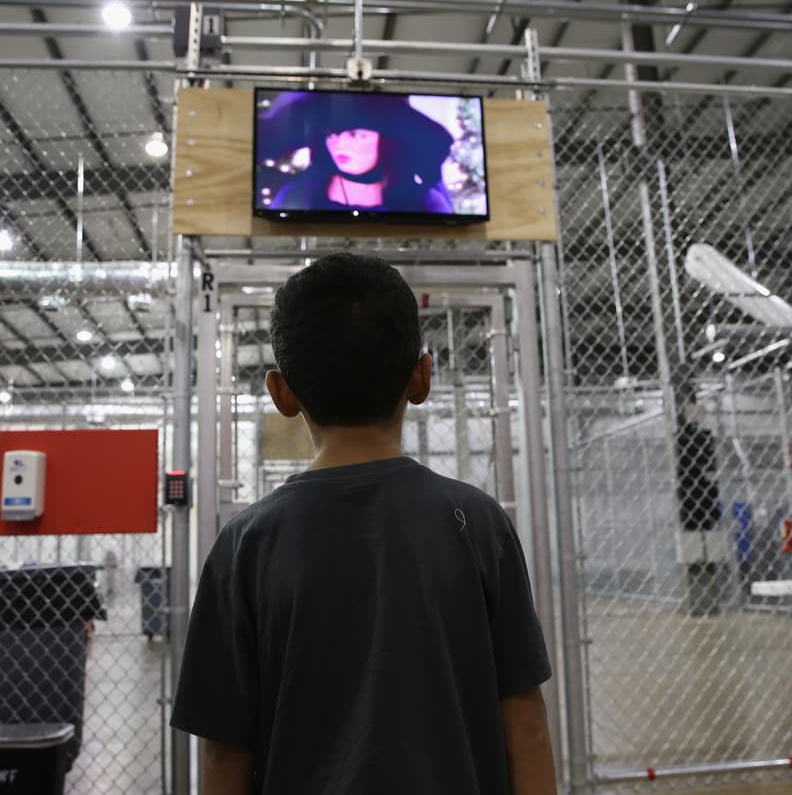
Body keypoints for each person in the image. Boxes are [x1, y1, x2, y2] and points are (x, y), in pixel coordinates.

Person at [171, 253, 556, 794]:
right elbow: (527, 722)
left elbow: (223, 757)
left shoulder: (245, 546)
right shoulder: (478, 523)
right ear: (421, 376)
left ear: (281, 392)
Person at [258, 92, 456, 214]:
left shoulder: (425, 201)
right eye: (333, 133)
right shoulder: (297, 195)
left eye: (356, 135)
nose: (339, 144)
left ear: (387, 142)